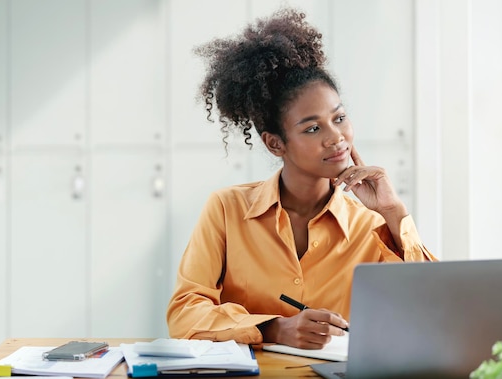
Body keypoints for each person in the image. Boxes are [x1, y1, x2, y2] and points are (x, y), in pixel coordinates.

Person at [166, 8, 437, 350]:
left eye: (339, 118)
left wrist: (395, 213)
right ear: (275, 143)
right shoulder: (226, 209)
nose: (336, 137)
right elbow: (184, 314)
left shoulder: (372, 224)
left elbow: (431, 311)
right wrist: (272, 328)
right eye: (312, 127)